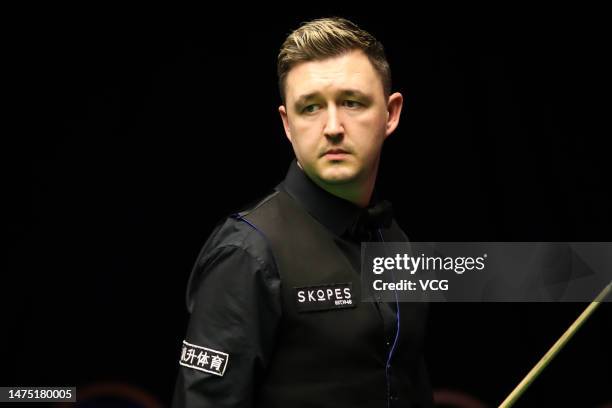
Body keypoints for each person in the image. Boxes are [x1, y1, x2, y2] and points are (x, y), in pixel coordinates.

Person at [172, 17, 433, 408]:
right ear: (287, 124)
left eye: (351, 102)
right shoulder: (247, 253)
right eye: (310, 107)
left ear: (391, 114)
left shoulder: (395, 241)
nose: (332, 127)